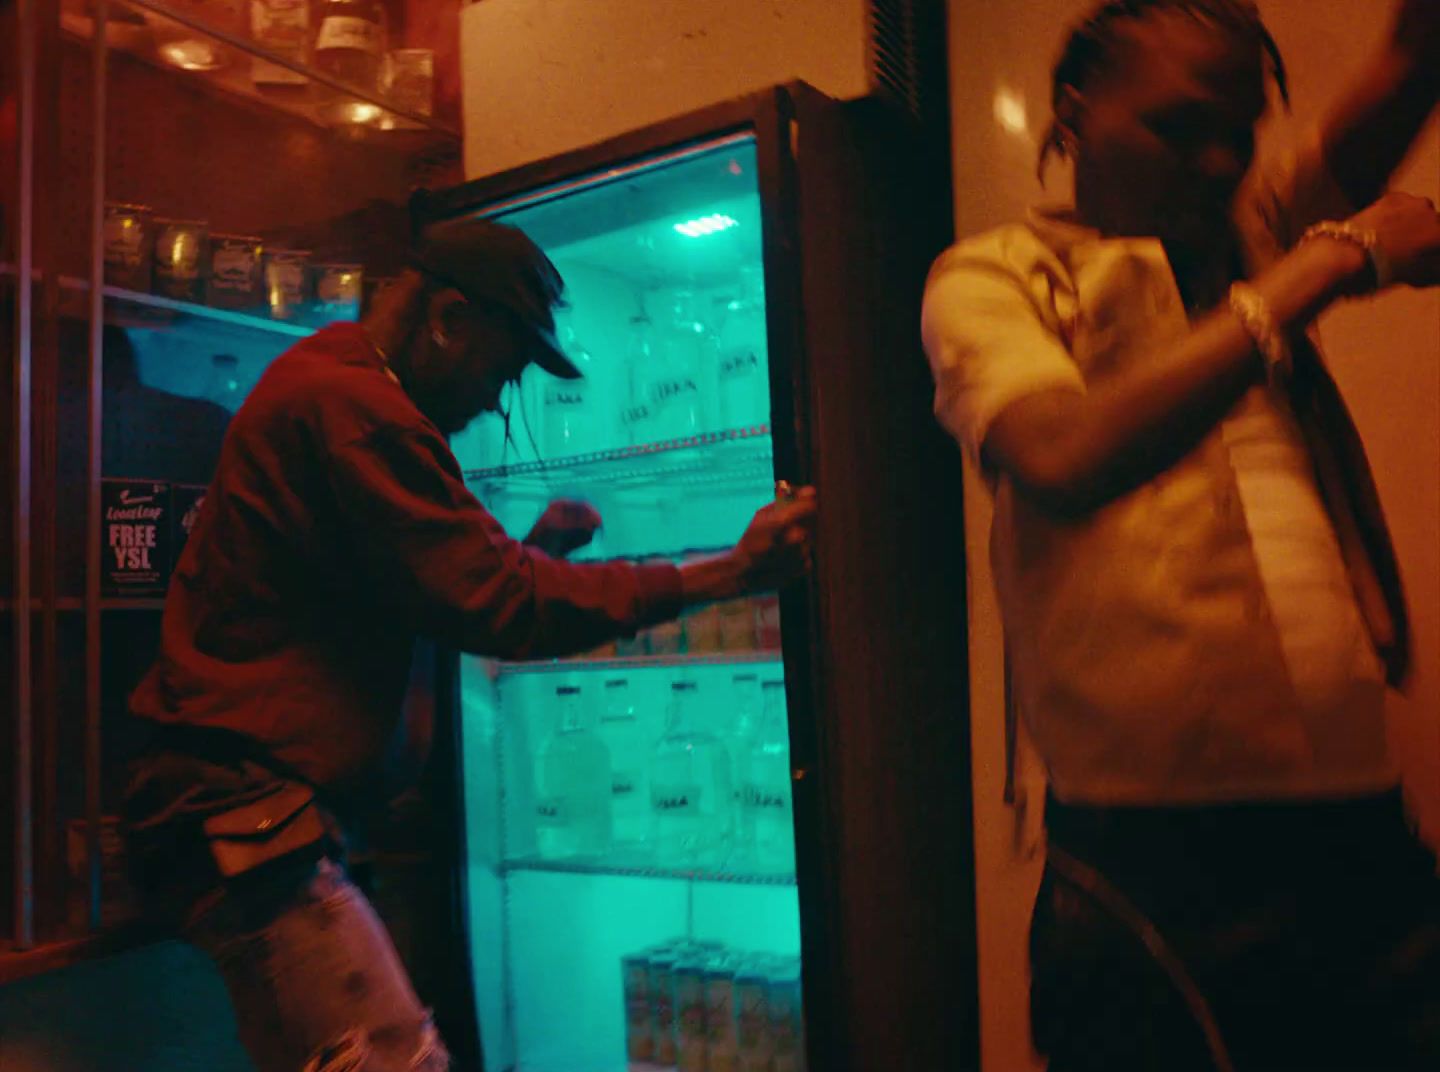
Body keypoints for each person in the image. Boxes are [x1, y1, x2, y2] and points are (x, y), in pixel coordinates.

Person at [121, 217, 817, 1072]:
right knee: (391, 1060)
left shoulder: (342, 387)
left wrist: (536, 557)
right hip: (243, 814)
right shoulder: (357, 411)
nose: (499, 396)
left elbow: (447, 589)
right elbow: (497, 603)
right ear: (447, 320)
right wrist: (731, 573)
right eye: (504, 367)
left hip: (249, 811)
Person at [922, 1, 1440, 1068]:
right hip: (1152, 866)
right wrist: (1333, 260)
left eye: (1238, 131)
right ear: (1076, 110)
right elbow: (1065, 457)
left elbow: (1412, 58)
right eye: (1176, 125)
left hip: (1358, 832)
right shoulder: (994, 274)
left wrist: (1293, 259)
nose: (1216, 161)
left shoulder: (1247, 235)